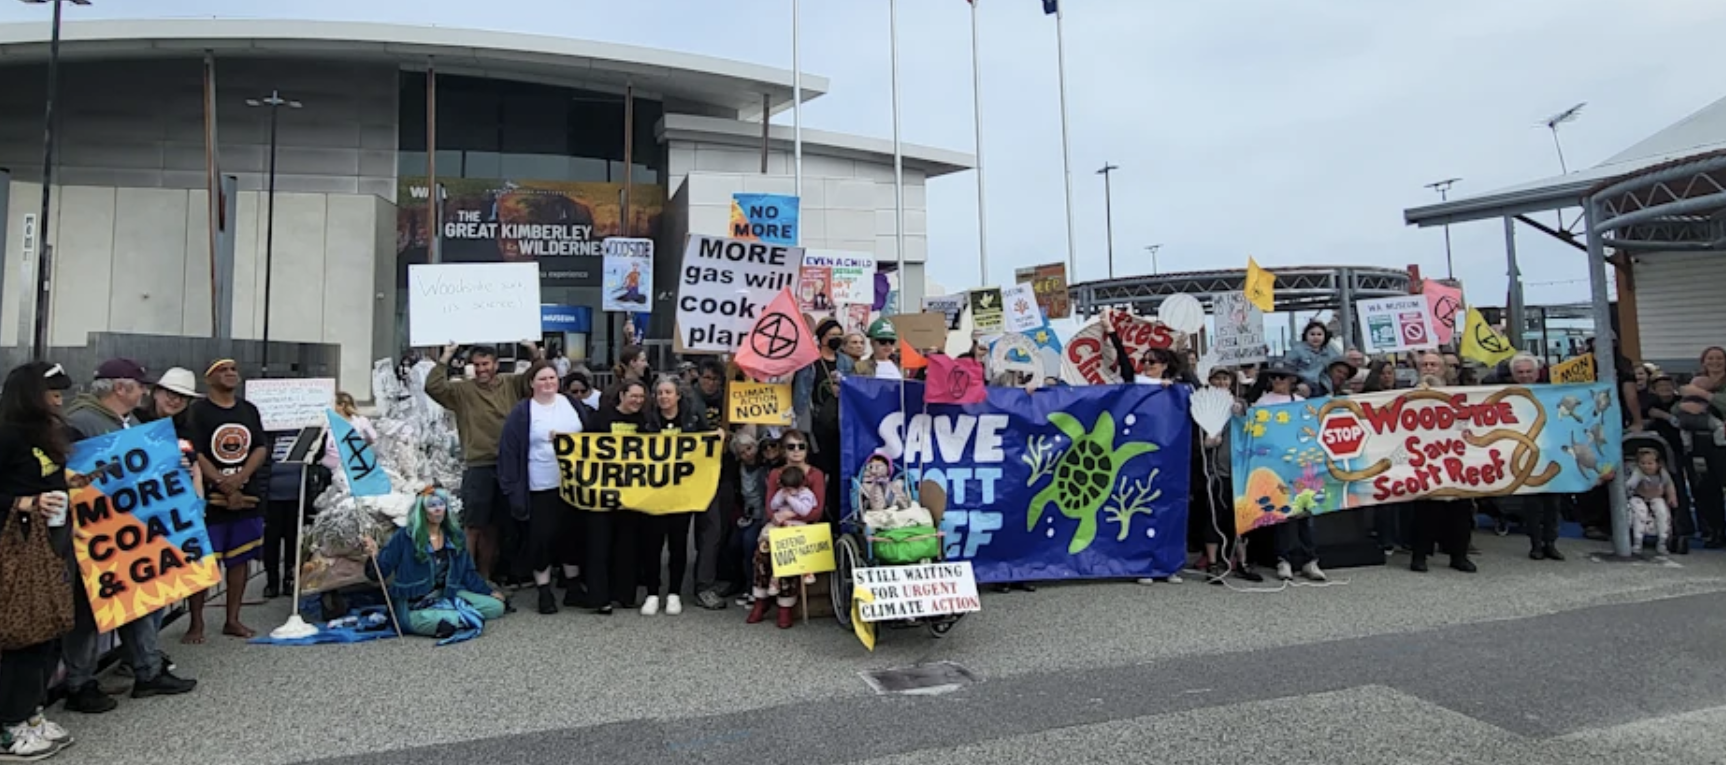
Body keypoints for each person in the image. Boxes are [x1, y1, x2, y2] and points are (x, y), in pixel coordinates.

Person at [59, 359, 196, 703]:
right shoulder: (80, 423)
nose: (145, 393)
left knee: (138, 600)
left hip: (128, 532)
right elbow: (74, 479)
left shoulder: (129, 421)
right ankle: (80, 683)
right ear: (121, 388)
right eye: (141, 387)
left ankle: (146, 670)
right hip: (96, 535)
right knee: (88, 611)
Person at [0, 362, 78, 759]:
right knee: (23, 638)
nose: (59, 398)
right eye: (51, 391)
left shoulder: (47, 435)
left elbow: (50, 481)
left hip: (50, 548)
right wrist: (23, 502)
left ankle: (31, 714)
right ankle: (8, 726)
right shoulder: (6, 435)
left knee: (48, 635)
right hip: (16, 553)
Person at [425, 342, 536, 585]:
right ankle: (466, 574)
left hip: (508, 464)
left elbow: (537, 377)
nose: (481, 369)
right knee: (474, 524)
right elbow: (432, 387)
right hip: (478, 464)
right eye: (476, 365)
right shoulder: (462, 391)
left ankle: (486, 574)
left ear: (496, 364)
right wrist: (446, 356)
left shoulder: (511, 383)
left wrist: (533, 350)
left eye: (485, 364)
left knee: (495, 526)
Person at [182, 359, 271, 643]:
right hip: (208, 500)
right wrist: (220, 482)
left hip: (247, 496)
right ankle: (195, 622)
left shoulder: (249, 410)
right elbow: (194, 452)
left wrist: (241, 477)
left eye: (234, 368)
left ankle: (233, 619)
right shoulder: (197, 412)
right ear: (208, 378)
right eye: (223, 370)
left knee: (240, 560)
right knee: (204, 564)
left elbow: (259, 446)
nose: (231, 373)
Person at [497, 363, 596, 614]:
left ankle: (573, 587)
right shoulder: (523, 412)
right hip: (540, 483)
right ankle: (544, 590)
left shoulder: (571, 405)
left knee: (571, 534)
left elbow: (590, 438)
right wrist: (511, 488)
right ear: (531, 383)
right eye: (542, 379)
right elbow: (509, 451)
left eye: (552, 377)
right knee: (542, 536)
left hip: (572, 482)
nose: (548, 383)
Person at [362, 489, 506, 639]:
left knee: (496, 607)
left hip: (446, 594)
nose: (438, 509)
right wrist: (374, 555)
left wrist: (488, 592)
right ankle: (449, 617)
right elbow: (378, 573)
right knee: (450, 620)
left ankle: (454, 615)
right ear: (422, 511)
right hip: (415, 603)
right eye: (432, 505)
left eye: (441, 504)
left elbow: (467, 572)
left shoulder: (455, 536)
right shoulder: (405, 536)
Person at [636, 375, 708, 616]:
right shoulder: (646, 421)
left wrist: (717, 437)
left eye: (668, 392)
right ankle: (653, 593)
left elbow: (708, 445)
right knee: (651, 545)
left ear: (678, 395)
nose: (664, 397)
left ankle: (674, 592)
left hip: (681, 494)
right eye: (660, 393)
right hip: (652, 494)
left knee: (678, 545)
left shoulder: (693, 419)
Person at [1247, 364, 1326, 582]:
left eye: (1282, 377)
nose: (1277, 380)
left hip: (1300, 465)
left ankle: (1310, 560)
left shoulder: (1300, 404)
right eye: (1273, 377)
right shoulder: (1262, 403)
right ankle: (1284, 559)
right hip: (1276, 466)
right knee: (1282, 515)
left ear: (1292, 380)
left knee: (1305, 515)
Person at [585, 379, 651, 613]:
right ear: (621, 395)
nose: (638, 401)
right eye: (633, 396)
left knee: (628, 545)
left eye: (641, 397)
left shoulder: (644, 421)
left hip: (630, 495)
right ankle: (599, 598)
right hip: (602, 494)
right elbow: (583, 447)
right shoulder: (601, 418)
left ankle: (625, 594)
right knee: (599, 545)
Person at [748, 430, 825, 627]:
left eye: (801, 446)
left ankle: (785, 607)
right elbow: (769, 506)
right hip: (778, 522)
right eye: (791, 447)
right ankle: (760, 599)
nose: (797, 451)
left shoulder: (815, 475)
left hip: (803, 525)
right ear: (784, 450)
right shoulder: (776, 474)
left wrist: (792, 515)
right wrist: (779, 518)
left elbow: (816, 511)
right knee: (763, 551)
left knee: (789, 551)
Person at [1197, 367, 1262, 584]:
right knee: (1213, 518)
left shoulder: (1240, 402)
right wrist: (1206, 444)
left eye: (1226, 378)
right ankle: (1213, 563)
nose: (1222, 382)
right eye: (1217, 378)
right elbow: (1195, 438)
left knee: (1241, 518)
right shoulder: (1201, 404)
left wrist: (1237, 409)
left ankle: (1241, 562)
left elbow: (1246, 416)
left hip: (1239, 470)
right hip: (1215, 471)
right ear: (1211, 381)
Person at [1502, 354, 1566, 561]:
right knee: (1531, 504)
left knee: (1553, 503)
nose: (1525, 375)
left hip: (1550, 452)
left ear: (1537, 373)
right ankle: (1535, 544)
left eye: (1529, 371)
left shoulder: (1552, 392)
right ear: (1513, 375)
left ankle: (1551, 543)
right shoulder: (1507, 394)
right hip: (1523, 454)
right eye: (1520, 372)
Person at [691, 360, 732, 609]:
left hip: (724, 471)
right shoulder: (688, 401)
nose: (710, 383)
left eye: (715, 379)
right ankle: (702, 586)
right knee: (711, 529)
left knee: (721, 528)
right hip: (697, 473)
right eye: (706, 378)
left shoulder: (729, 400)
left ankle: (710, 576)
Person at [1643, 373, 1697, 553]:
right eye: (1660, 387)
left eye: (1667, 386)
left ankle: (1684, 526)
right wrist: (1666, 417)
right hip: (1656, 453)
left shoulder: (1680, 401)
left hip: (1680, 451)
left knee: (1680, 489)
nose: (1664, 389)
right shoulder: (1651, 403)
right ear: (1654, 389)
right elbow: (1649, 413)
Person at [1685, 347, 1726, 548]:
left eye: (1719, 358)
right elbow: (1678, 407)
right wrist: (1685, 406)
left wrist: (1702, 395)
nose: (1715, 362)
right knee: (1706, 489)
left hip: (1723, 443)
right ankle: (1715, 531)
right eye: (1710, 358)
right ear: (1703, 361)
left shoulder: (1699, 388)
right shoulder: (1695, 380)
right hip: (1700, 442)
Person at [1626, 447, 1677, 556]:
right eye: (1642, 463)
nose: (1646, 466)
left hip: (1656, 496)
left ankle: (1663, 540)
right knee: (1640, 512)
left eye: (1650, 463)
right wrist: (1636, 477)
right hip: (1638, 496)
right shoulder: (1637, 473)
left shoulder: (1662, 473)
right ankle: (1637, 541)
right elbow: (1630, 485)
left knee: (1662, 511)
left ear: (1658, 464)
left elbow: (1669, 485)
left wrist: (1672, 497)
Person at [1285, 320, 1341, 391]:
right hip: (1303, 382)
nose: (1316, 337)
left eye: (1319, 334)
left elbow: (1337, 364)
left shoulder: (1330, 350)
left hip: (1323, 384)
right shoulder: (1297, 350)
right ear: (1306, 335)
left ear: (1324, 336)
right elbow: (1288, 367)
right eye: (1312, 334)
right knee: (1302, 389)